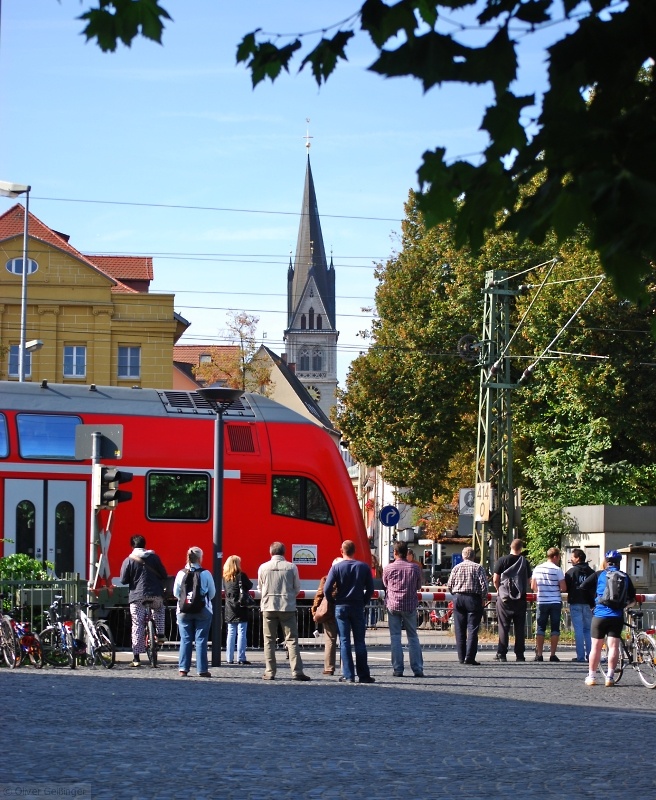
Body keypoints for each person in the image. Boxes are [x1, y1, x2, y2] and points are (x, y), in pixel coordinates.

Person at [581, 550, 636, 687]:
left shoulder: (599, 574)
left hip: (599, 615)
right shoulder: (624, 576)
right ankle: (610, 677)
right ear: (619, 562)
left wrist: (593, 603)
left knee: (596, 648)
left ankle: (592, 676)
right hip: (616, 616)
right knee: (613, 647)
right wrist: (623, 606)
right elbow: (632, 598)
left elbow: (583, 587)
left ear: (606, 561)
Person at [323, 539, 375, 683]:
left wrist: (333, 601)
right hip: (357, 605)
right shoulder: (363, 567)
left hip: (341, 606)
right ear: (355, 551)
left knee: (344, 641)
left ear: (342, 551)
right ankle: (364, 675)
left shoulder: (336, 567)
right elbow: (370, 589)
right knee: (360, 641)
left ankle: (348, 675)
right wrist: (363, 601)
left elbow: (327, 588)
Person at [258, 542, 311, 681]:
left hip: (268, 606)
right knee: (292, 640)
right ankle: (297, 671)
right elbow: (297, 588)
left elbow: (260, 587)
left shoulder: (263, 567)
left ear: (270, 552)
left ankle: (270, 671)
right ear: (284, 552)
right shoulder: (291, 567)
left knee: (269, 640)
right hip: (287, 606)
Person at [119, 535, 168, 668]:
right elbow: (164, 574)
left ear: (132, 545)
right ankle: (161, 634)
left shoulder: (128, 560)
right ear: (144, 544)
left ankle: (136, 658)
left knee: (137, 624)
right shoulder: (154, 557)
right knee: (159, 610)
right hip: (155, 594)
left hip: (137, 597)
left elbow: (123, 580)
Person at [382, 540, 424, 677]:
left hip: (393, 605)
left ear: (395, 553)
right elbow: (418, 586)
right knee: (413, 637)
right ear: (407, 553)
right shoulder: (415, 568)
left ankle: (398, 669)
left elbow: (385, 584)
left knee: (395, 637)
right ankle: (417, 669)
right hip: (410, 605)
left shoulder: (388, 568)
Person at [173, 546, 216, 677]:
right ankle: (202, 670)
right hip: (203, 610)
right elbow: (212, 594)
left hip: (183, 610)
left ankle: (183, 669)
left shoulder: (180, 573)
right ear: (199, 558)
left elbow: (176, 593)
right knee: (201, 640)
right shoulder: (206, 573)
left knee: (185, 639)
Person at [447, 546, 489, 665]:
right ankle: (470, 657)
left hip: (458, 598)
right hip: (473, 599)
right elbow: (484, 586)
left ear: (462, 556)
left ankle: (461, 657)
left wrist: (454, 594)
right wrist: (483, 598)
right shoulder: (478, 567)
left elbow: (449, 585)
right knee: (472, 629)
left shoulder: (456, 568)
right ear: (473, 556)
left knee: (459, 629)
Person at [492, 538, 532, 662]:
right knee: (520, 627)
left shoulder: (502, 560)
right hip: (520, 598)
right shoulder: (524, 562)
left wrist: (499, 590)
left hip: (505, 599)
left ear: (511, 546)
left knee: (504, 626)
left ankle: (502, 654)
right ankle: (519, 655)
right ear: (521, 549)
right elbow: (529, 580)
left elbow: (495, 579)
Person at [531, 546, 567, 662]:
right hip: (555, 601)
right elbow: (563, 587)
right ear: (555, 557)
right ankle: (552, 654)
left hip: (542, 601)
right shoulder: (557, 570)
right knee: (555, 628)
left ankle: (539, 654)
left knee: (540, 628)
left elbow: (533, 586)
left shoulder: (537, 568)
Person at [223, 554, 253, 665]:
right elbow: (249, 585)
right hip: (241, 606)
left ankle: (229, 658)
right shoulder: (242, 575)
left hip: (230, 607)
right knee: (241, 632)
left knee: (231, 633)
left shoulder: (225, 578)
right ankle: (241, 657)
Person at [565, 548, 595, 663]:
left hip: (575, 601)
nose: (571, 559)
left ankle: (580, 656)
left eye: (572, 557)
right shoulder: (591, 572)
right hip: (588, 603)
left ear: (577, 558)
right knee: (588, 629)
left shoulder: (571, 572)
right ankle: (590, 655)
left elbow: (566, 587)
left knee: (578, 630)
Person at [311, 565, 339, 676]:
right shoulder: (348, 578)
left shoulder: (326, 579)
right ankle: (346, 667)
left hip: (330, 612)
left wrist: (314, 610)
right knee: (344, 640)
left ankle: (329, 668)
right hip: (345, 610)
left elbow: (320, 595)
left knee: (330, 640)